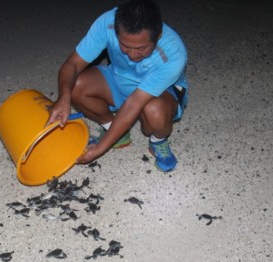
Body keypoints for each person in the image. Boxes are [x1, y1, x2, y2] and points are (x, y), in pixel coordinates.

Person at [46, 0, 188, 172]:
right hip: (118, 79)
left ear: (157, 37)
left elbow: (134, 103)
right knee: (75, 86)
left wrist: (100, 149)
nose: (132, 54)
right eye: (125, 46)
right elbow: (73, 64)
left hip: (161, 93)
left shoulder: (174, 53)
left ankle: (158, 141)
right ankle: (114, 130)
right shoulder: (107, 24)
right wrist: (64, 97)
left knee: (155, 113)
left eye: (141, 48)